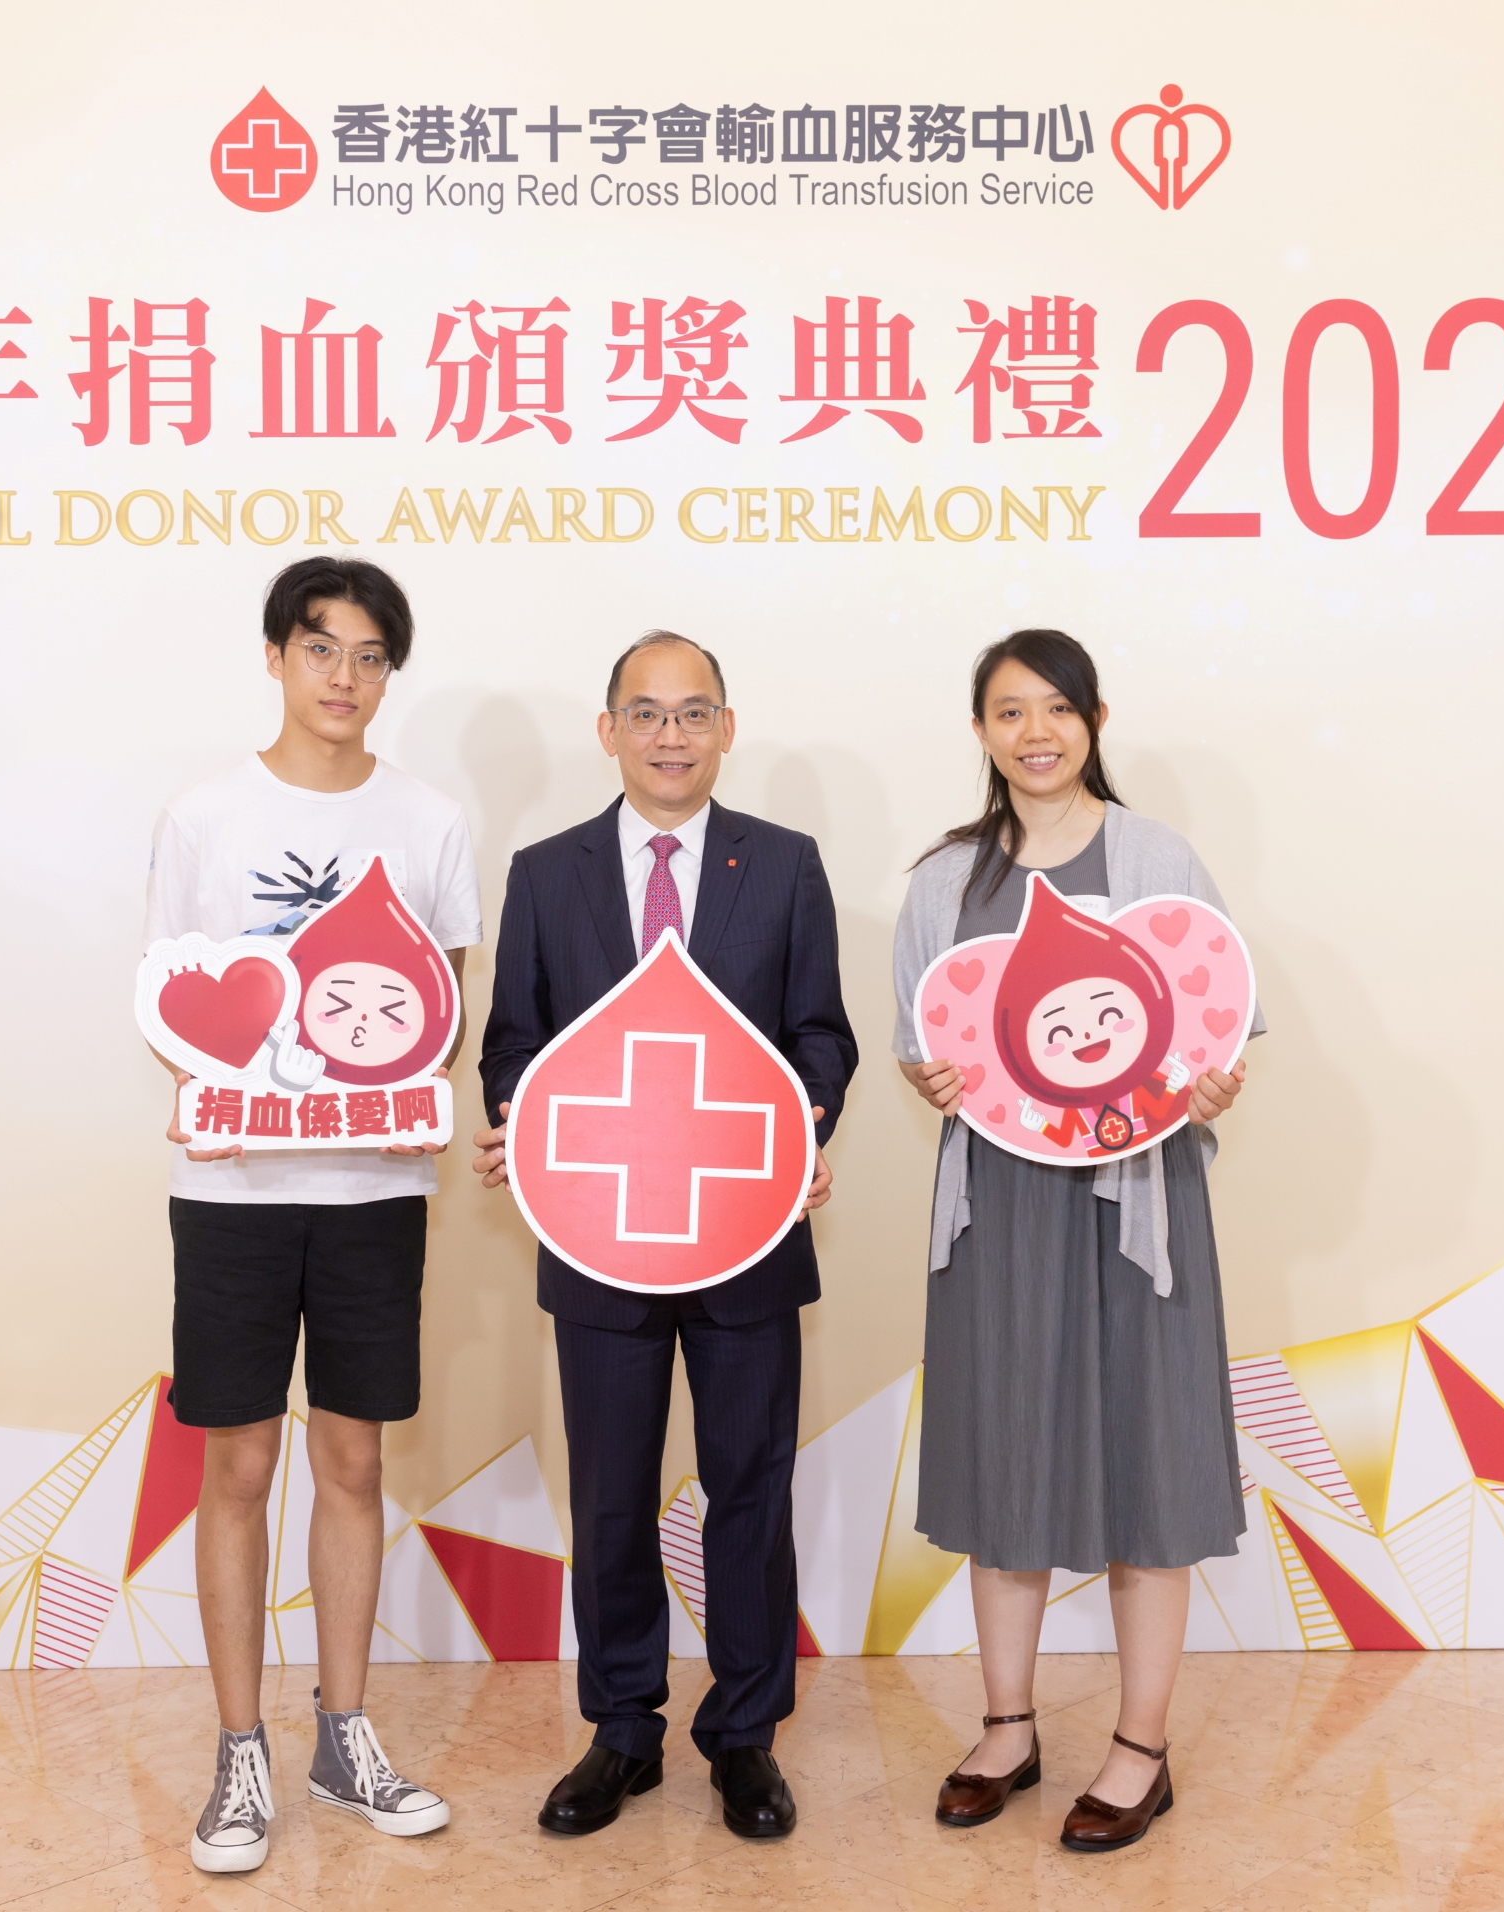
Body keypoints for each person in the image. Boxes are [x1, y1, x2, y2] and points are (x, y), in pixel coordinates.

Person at [472, 631, 856, 1841]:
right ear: (608, 732)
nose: (670, 734)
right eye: (645, 712)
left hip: (748, 1235)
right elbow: (511, 1045)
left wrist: (796, 1128)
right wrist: (516, 1126)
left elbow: (821, 1037)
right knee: (611, 1493)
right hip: (596, 1241)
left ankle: (744, 1736)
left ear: (726, 728)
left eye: (693, 712)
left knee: (750, 1484)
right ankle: (621, 1732)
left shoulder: (784, 864)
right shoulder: (545, 871)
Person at [889, 629, 1256, 1856]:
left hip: (1136, 1204)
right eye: (1007, 712)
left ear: (1095, 716)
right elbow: (920, 1034)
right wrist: (929, 1075)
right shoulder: (946, 877)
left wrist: (1208, 1089)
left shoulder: (1158, 862)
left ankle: (1140, 1749)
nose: (1033, 732)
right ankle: (1006, 1726)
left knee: (1146, 1464)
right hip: (998, 1207)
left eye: (1055, 707)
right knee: (1008, 1465)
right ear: (981, 731)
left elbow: (1212, 1032)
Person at [145, 556, 478, 1875]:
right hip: (228, 1195)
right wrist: (225, 1092)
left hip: (370, 1195)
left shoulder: (426, 819)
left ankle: (344, 1736)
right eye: (321, 649)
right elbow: (176, 1003)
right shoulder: (204, 816)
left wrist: (393, 1099)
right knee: (235, 1468)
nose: (344, 678)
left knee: (351, 1464)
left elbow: (433, 1019)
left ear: (389, 675)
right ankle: (240, 1755)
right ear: (276, 658)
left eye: (370, 657)